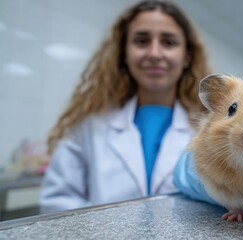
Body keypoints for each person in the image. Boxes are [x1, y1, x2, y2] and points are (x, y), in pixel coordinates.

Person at [40, 0, 210, 213]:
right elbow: (57, 201)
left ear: (186, 57)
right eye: (141, 41)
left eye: (168, 42)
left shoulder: (210, 131)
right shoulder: (88, 126)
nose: (155, 53)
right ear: (124, 54)